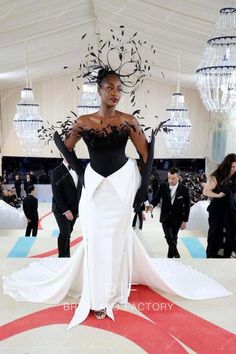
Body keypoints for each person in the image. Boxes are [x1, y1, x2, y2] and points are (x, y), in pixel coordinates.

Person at [2, 69, 231, 330]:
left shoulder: (128, 121)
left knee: (118, 237)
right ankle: (97, 294)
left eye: (119, 89)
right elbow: (66, 148)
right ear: (99, 90)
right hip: (95, 185)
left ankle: (114, 291)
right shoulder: (84, 121)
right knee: (95, 237)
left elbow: (146, 157)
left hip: (122, 184)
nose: (115, 93)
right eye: (110, 88)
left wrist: (141, 189)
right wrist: (79, 169)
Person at [147, 167, 191, 258]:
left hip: (177, 218)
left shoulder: (184, 189)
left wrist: (185, 221)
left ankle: (170, 257)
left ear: (178, 177)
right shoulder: (163, 186)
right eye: (169, 178)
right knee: (169, 237)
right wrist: (151, 206)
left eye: (173, 178)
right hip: (165, 217)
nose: (170, 180)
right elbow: (157, 198)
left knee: (174, 237)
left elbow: (187, 207)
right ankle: (176, 253)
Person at [203, 153, 236, 258]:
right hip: (217, 211)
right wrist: (217, 195)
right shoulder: (216, 176)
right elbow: (206, 191)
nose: (234, 169)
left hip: (231, 211)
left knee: (230, 235)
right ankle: (211, 255)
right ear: (226, 165)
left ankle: (227, 254)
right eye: (232, 167)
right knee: (215, 234)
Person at [51, 159, 82, 257]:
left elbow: (79, 191)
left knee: (68, 233)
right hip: (61, 209)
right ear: (61, 154)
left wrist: (78, 209)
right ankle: (61, 257)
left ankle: (66, 256)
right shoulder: (56, 171)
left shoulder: (78, 169)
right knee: (64, 232)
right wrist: (66, 210)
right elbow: (56, 193)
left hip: (74, 209)